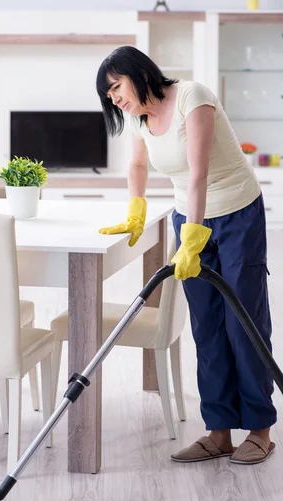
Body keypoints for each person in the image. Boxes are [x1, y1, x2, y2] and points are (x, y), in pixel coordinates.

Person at [96, 45, 277, 465]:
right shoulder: (140, 118)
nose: (113, 98)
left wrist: (193, 239)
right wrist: (136, 211)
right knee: (207, 325)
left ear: (138, 74)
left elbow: (199, 173)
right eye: (108, 95)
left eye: (115, 87)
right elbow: (138, 167)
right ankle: (218, 432)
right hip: (190, 219)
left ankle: (261, 430)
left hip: (236, 215)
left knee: (243, 320)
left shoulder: (192, 98)